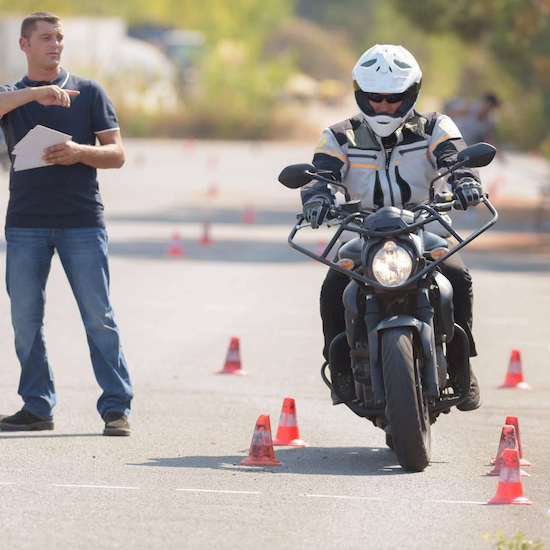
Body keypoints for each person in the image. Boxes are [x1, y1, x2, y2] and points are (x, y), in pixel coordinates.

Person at [301, 44, 484, 411]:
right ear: (360, 95)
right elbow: (321, 174)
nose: (383, 106)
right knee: (334, 286)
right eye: (374, 98)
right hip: (362, 232)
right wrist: (317, 199)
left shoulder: (435, 126)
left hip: (425, 226)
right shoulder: (340, 135)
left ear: (411, 94)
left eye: (393, 98)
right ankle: (340, 370)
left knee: (457, 275)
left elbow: (454, 158)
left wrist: (465, 181)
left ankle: (463, 366)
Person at [0, 12, 133, 435]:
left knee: (99, 317)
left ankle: (116, 408)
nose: (55, 44)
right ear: (24, 45)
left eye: (59, 37)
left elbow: (116, 154)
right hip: (24, 223)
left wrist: (79, 151)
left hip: (81, 222)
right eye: (45, 38)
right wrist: (36, 95)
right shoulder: (13, 95)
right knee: (25, 321)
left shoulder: (89, 91)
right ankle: (37, 408)